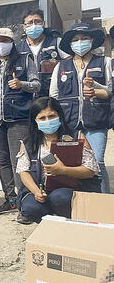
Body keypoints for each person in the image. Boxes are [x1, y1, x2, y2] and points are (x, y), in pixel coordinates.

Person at [0, 27, 40, 215]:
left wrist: (22, 84)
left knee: (20, 160)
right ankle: (10, 199)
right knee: (3, 160)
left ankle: (24, 199)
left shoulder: (24, 59)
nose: (0, 45)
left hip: (19, 117)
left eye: (4, 40)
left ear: (12, 42)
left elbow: (37, 84)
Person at [50, 22, 112, 194]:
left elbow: (110, 91)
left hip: (96, 121)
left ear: (92, 40)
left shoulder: (105, 62)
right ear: (70, 44)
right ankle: (80, 200)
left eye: (84, 38)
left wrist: (96, 89)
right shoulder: (60, 66)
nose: (80, 42)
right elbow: (53, 96)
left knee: (96, 162)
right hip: (69, 122)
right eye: (76, 39)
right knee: (73, 163)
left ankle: (104, 202)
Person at [16, 97, 99, 224]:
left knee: (60, 197)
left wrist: (63, 170)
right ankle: (49, 220)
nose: (47, 121)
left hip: (67, 190)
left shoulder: (76, 137)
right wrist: (36, 192)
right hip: (40, 190)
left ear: (59, 116)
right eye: (42, 118)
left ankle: (67, 220)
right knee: (30, 208)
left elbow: (91, 170)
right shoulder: (28, 143)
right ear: (35, 121)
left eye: (52, 116)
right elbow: (23, 172)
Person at [17, 9, 68, 97]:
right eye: (29, 23)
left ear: (43, 23)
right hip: (26, 98)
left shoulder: (56, 42)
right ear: (24, 27)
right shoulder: (18, 49)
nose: (34, 25)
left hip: (52, 95)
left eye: (37, 22)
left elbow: (69, 63)